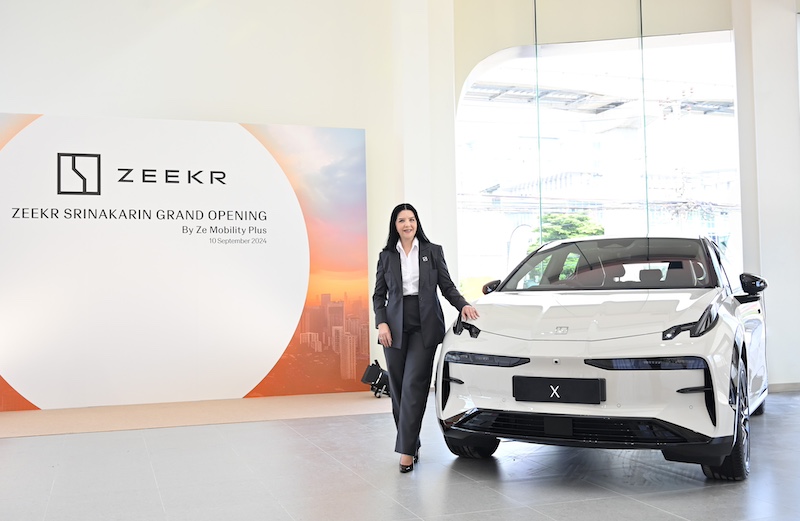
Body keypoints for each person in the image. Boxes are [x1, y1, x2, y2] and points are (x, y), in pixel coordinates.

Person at [372, 203, 479, 473]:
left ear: (417, 222)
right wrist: (382, 323)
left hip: (425, 324)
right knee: (398, 389)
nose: (407, 224)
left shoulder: (432, 251)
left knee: (414, 386)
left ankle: (406, 452)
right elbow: (379, 295)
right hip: (393, 326)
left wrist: (463, 305)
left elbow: (446, 286)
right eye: (401, 220)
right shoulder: (386, 256)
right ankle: (412, 442)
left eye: (411, 219)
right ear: (395, 226)